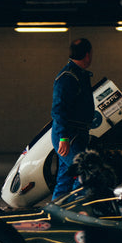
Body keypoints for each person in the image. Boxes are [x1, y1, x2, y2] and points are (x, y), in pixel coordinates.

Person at [51, 38, 94, 201]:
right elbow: (58, 109)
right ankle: (77, 212)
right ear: (88, 55)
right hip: (69, 136)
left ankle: (56, 214)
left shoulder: (78, 75)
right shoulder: (68, 76)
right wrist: (63, 137)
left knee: (65, 178)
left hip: (74, 135)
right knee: (84, 174)